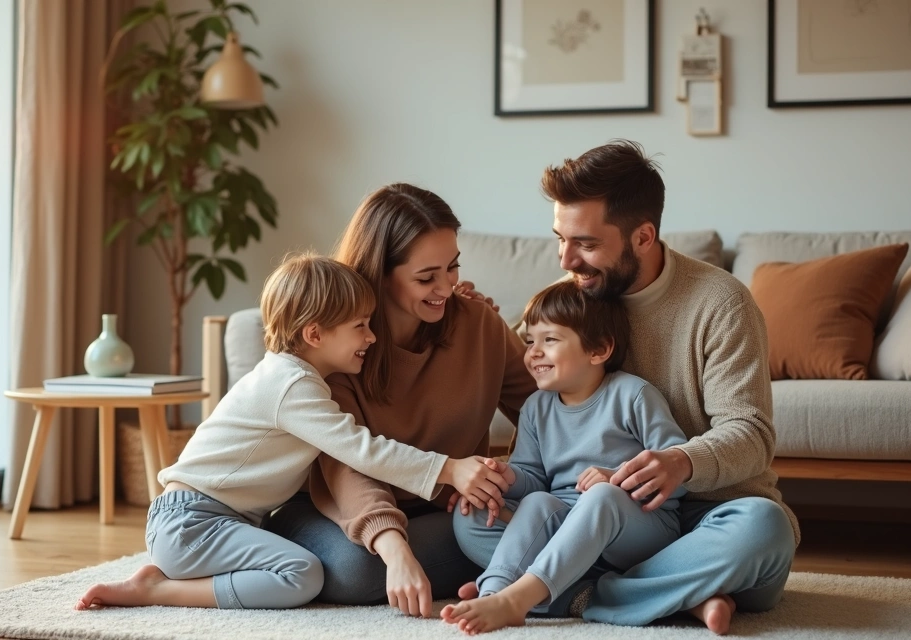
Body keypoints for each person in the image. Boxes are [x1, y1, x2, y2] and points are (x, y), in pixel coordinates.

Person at [459, 140, 798, 636]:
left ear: (643, 236)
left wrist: (681, 462)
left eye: (587, 244)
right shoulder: (577, 297)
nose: (567, 259)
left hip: (708, 518)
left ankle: (567, 594)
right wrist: (471, 319)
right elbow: (534, 379)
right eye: (560, 238)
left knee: (764, 529)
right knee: (472, 520)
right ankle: (677, 596)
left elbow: (750, 433)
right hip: (598, 524)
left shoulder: (721, 302)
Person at [74, 253, 510, 611]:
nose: (372, 337)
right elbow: (362, 450)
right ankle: (158, 592)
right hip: (192, 522)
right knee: (302, 575)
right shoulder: (293, 387)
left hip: (206, 520)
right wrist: (448, 469)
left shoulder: (296, 378)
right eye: (360, 325)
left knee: (304, 568)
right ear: (314, 333)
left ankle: (163, 577)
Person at [263, 184, 537, 618]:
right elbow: (346, 464)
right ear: (378, 273)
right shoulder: (338, 349)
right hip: (353, 512)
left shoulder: (479, 325)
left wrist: (520, 480)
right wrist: (394, 548)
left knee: (537, 522)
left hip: (448, 512)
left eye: (453, 268)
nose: (446, 288)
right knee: (357, 570)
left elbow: (545, 411)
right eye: (427, 277)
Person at [442, 280, 688, 634]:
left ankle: (523, 595)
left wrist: (616, 479)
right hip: (567, 529)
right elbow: (534, 481)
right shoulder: (536, 408)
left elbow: (675, 473)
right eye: (530, 341)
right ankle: (497, 591)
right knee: (474, 513)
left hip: (638, 528)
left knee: (602, 497)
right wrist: (504, 477)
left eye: (550, 340)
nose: (533, 352)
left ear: (599, 349)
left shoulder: (633, 395)